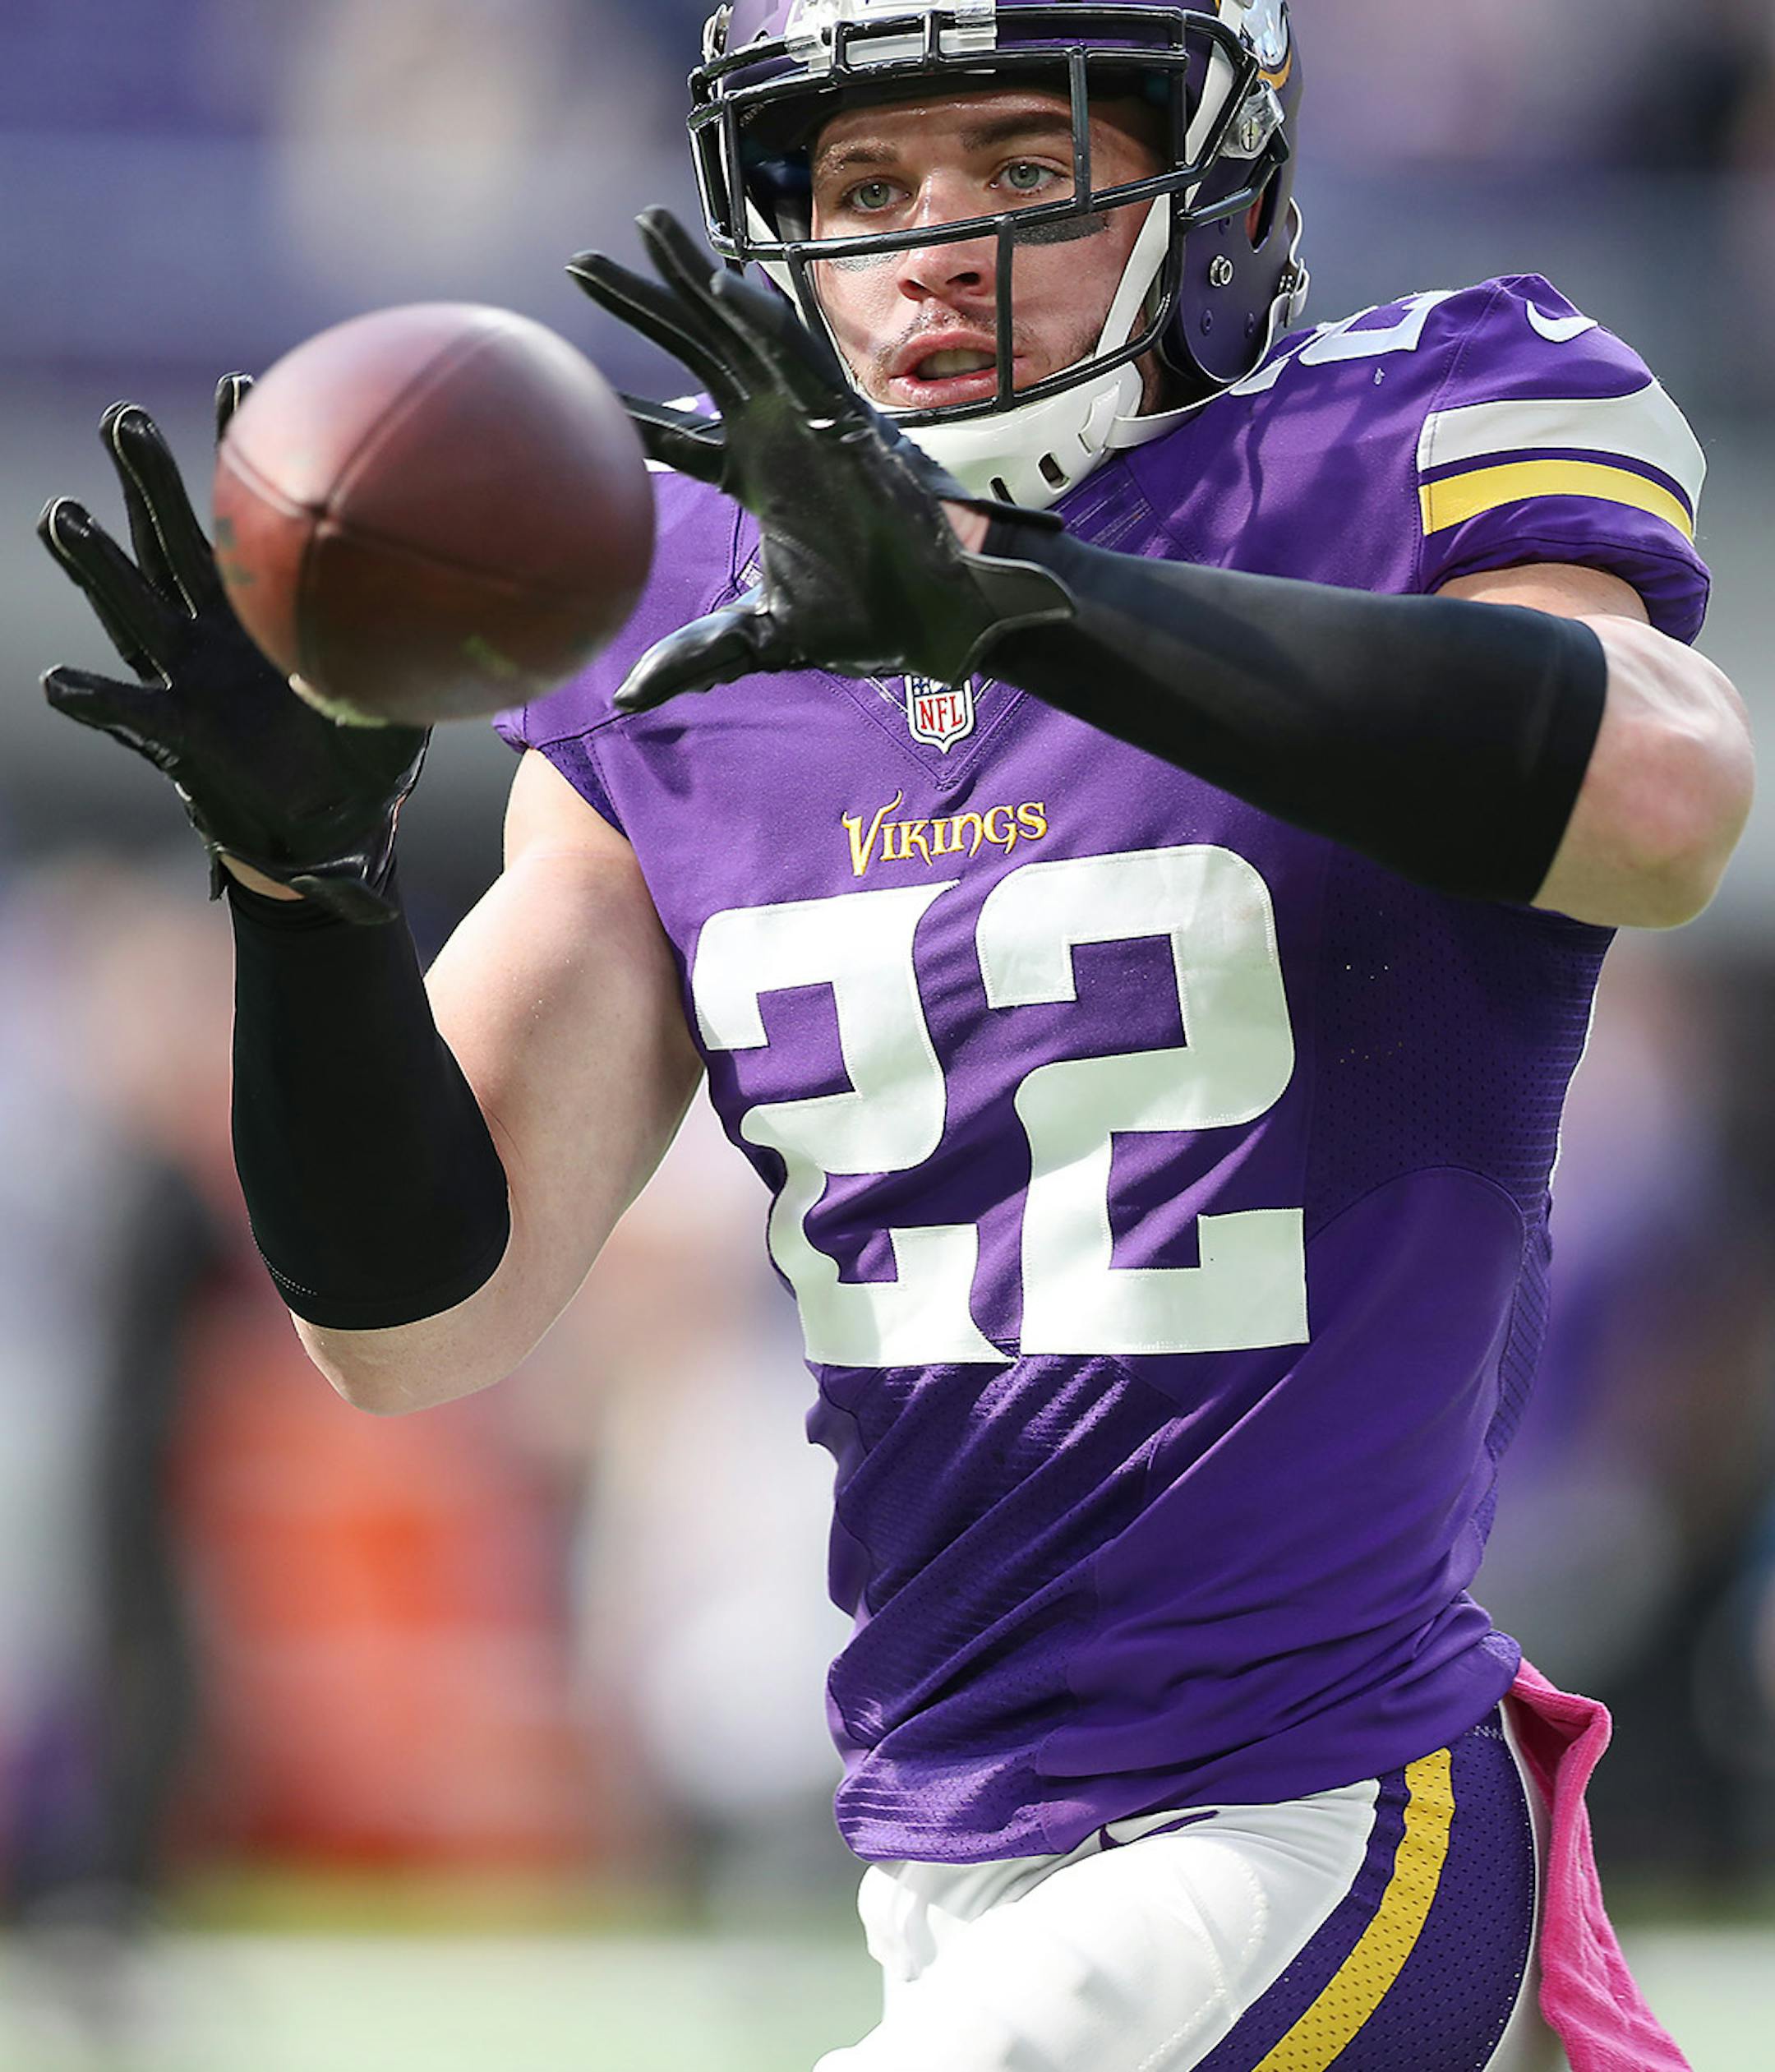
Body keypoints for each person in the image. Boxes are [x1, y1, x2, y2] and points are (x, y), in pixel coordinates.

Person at [36, 2, 1754, 2065]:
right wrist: (307, 898)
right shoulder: (684, 590)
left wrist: (1026, 602)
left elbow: (1661, 812)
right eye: (862, 186)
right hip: (947, 1850)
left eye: (1023, 169)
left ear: (1223, 188)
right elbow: (416, 1321)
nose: (930, 243)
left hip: (1318, 1799)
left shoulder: (1406, 431)